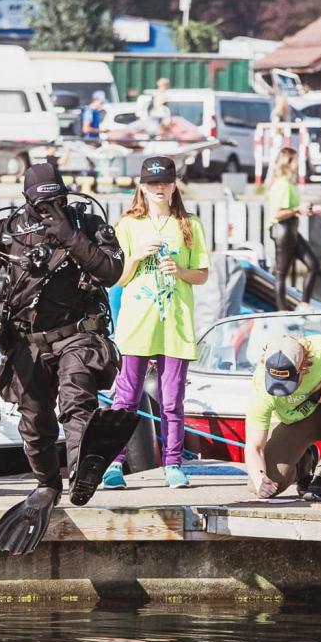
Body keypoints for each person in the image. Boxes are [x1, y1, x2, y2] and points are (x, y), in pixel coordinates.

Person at [0, 162, 132, 555]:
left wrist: (72, 238)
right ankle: (47, 483)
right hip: (28, 341)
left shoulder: (86, 225)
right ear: (26, 202)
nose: (49, 209)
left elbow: (112, 271)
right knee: (34, 419)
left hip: (77, 334)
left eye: (57, 200)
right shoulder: (3, 232)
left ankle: (82, 472)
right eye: (42, 204)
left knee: (77, 396)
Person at [102, 156, 209, 490]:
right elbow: (116, 278)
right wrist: (135, 256)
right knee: (125, 399)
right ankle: (113, 465)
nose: (159, 188)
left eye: (164, 182)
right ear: (142, 187)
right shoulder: (128, 225)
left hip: (175, 326)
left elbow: (202, 275)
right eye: (152, 183)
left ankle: (173, 464)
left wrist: (179, 271)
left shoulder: (190, 224)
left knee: (172, 401)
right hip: (137, 325)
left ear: (174, 185)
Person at [242, 334, 321, 502]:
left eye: (289, 381)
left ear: (303, 366)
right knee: (260, 485)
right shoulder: (260, 382)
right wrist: (261, 482)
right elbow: (254, 446)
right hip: (292, 424)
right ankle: (305, 462)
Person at [265, 147, 321, 311]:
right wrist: (298, 210)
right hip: (282, 229)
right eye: (296, 160)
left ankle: (304, 304)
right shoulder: (282, 185)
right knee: (282, 272)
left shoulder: (290, 184)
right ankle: (282, 310)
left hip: (291, 228)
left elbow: (295, 208)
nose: (298, 164)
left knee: (313, 264)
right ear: (288, 162)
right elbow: (277, 213)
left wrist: (310, 209)